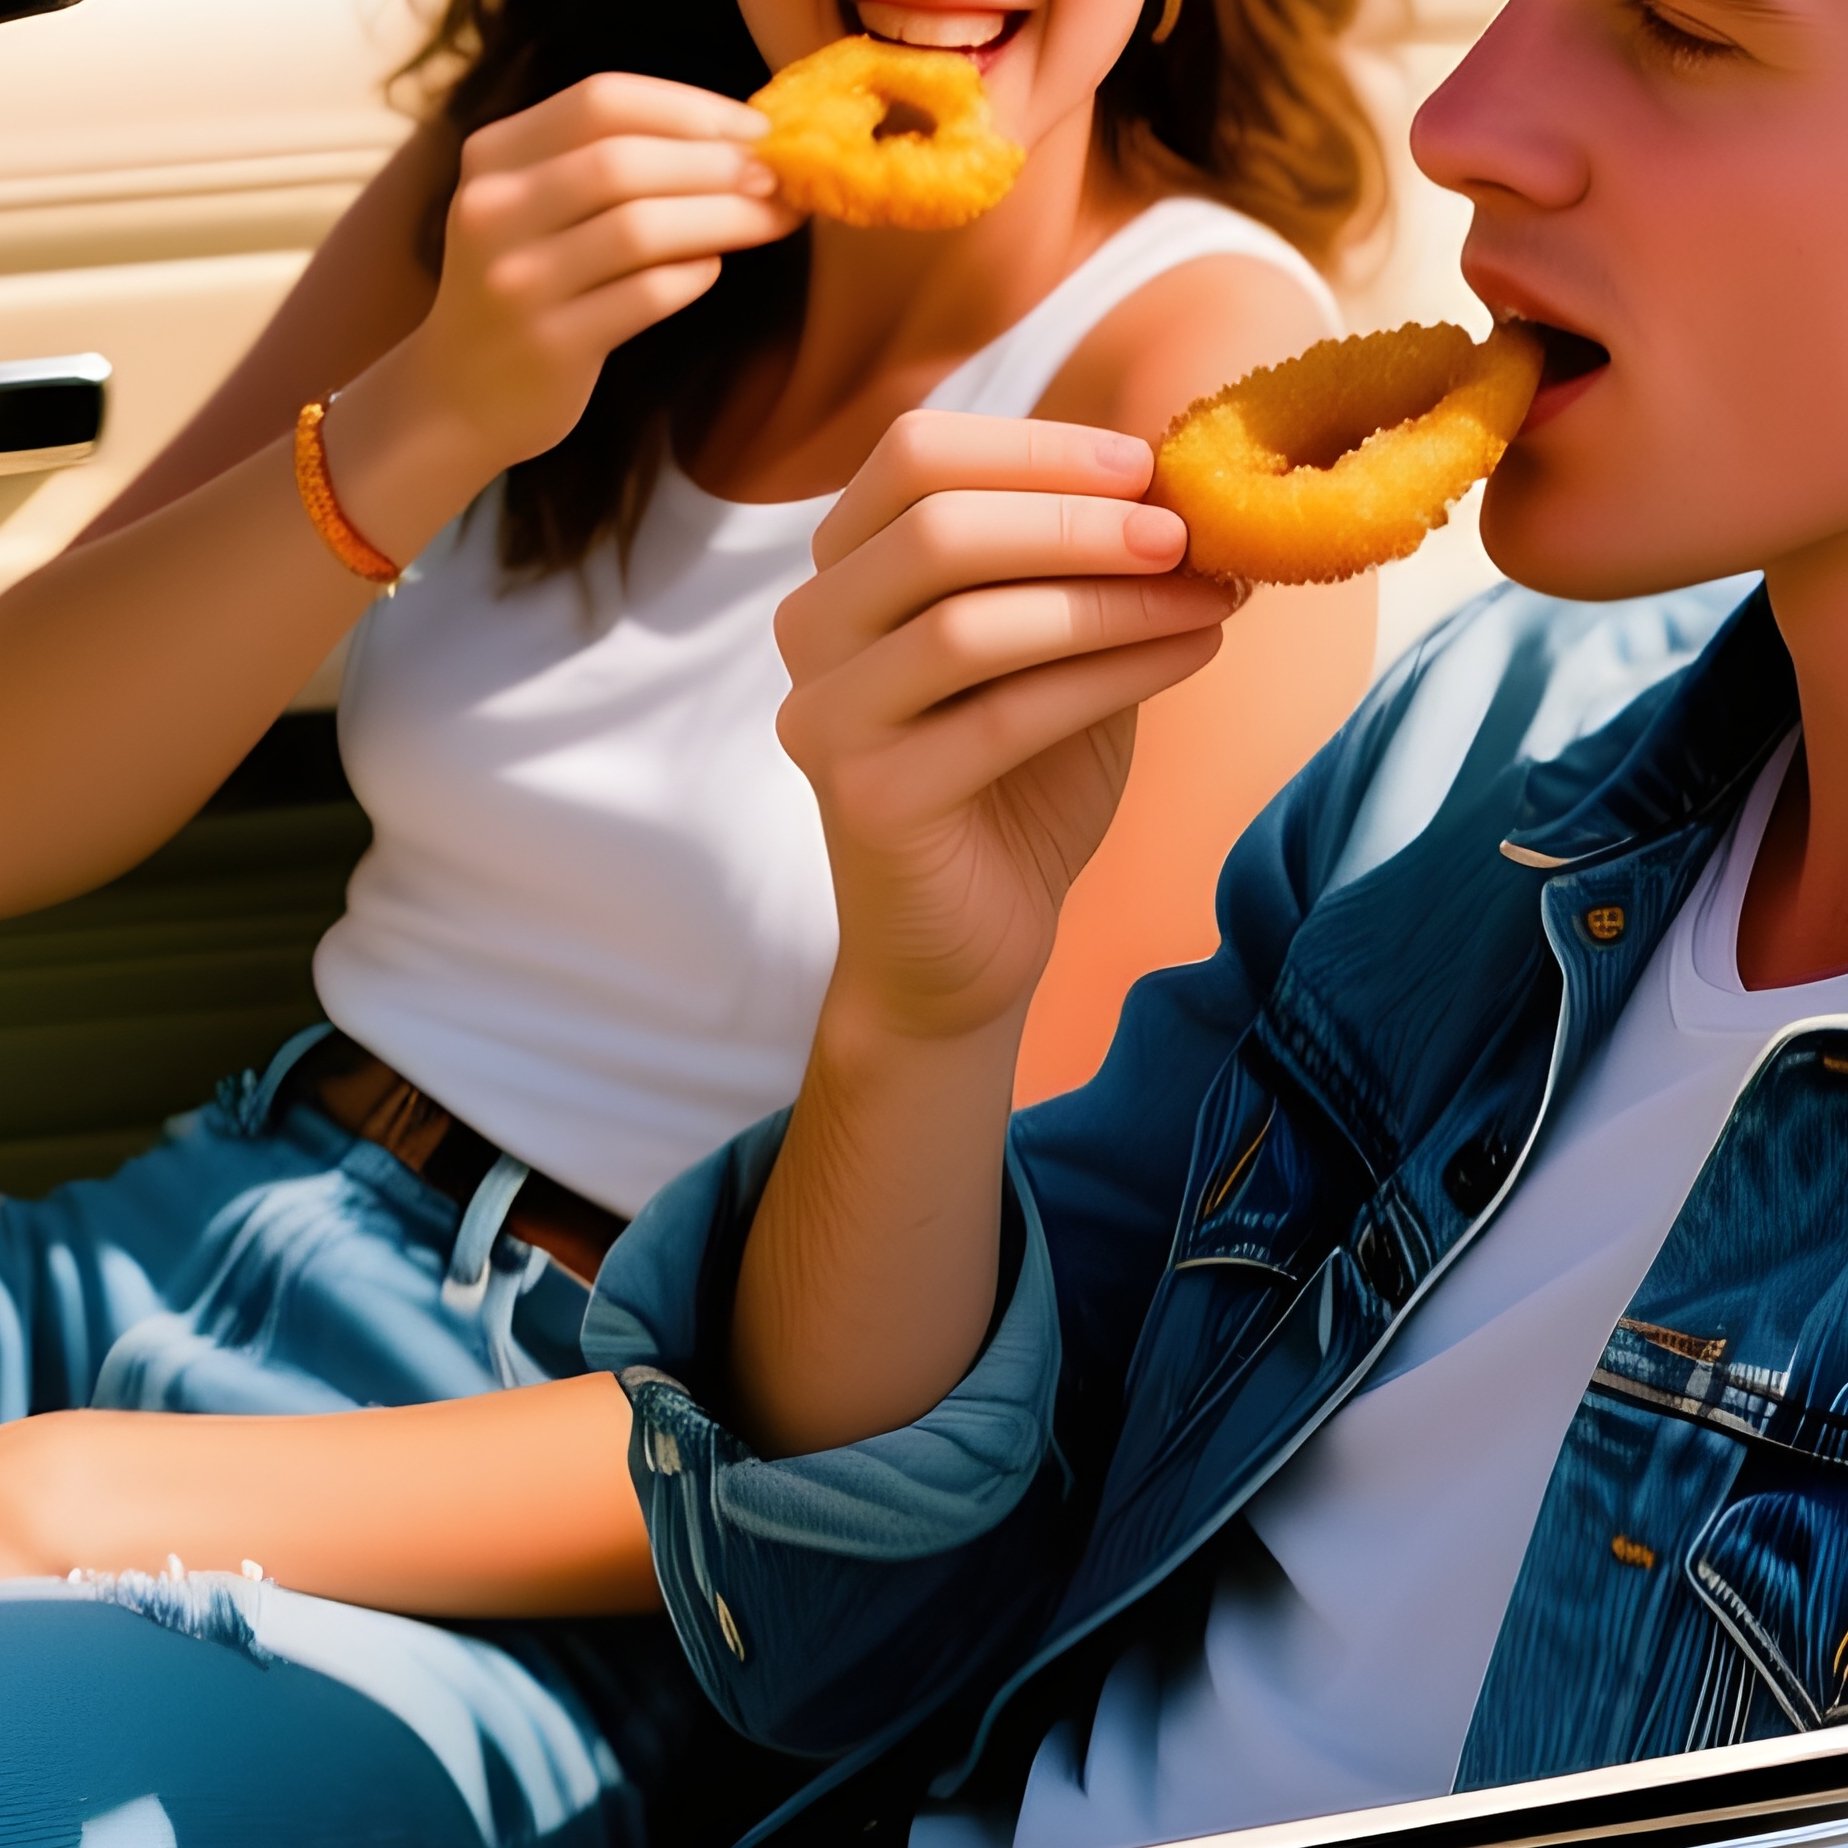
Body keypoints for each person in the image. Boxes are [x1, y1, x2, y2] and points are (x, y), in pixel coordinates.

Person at [0, 0, 1380, 1842]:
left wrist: (90, 1496)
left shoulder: (1205, 386)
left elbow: (987, 1387)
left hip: (605, 1505)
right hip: (188, 1215)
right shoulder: (547, 162)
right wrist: (435, 406)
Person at [583, 0, 1848, 1841]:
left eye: (1676, 23)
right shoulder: (1464, 761)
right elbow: (831, 1641)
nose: (1466, 120)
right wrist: (922, 1018)